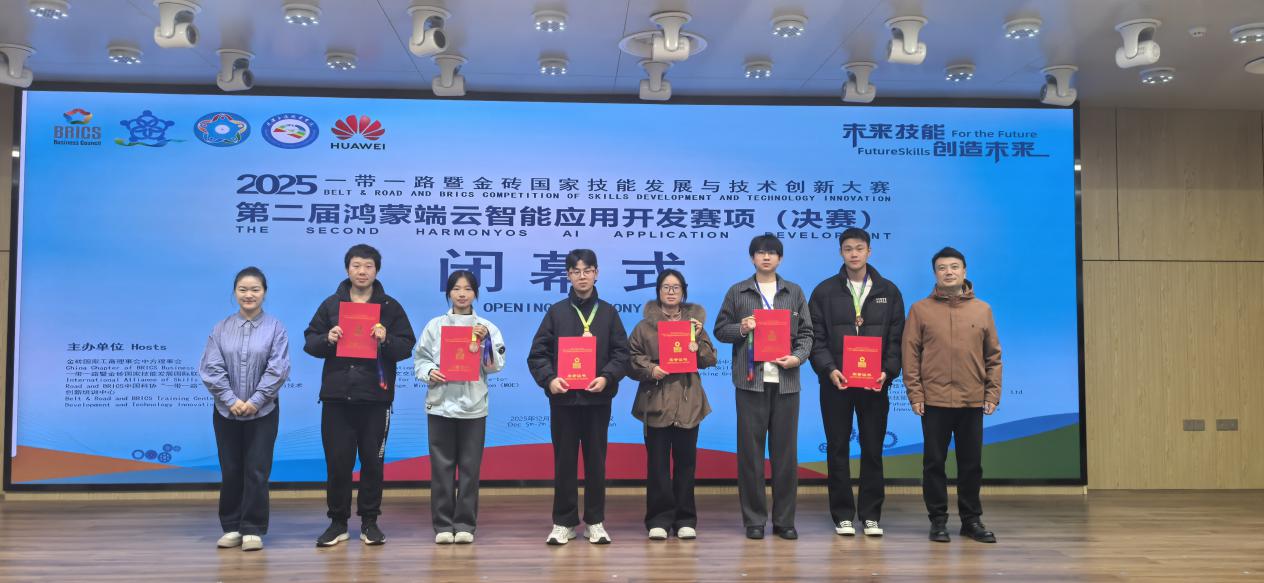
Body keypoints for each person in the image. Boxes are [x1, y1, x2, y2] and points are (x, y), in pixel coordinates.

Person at [303, 244, 416, 547]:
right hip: (337, 399)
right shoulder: (331, 304)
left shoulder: (390, 307)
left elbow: (406, 346)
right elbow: (310, 342)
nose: (362, 271)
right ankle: (338, 523)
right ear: (347, 269)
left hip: (376, 399)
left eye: (368, 266)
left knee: (372, 463)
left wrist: (386, 339)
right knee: (337, 464)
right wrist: (327, 338)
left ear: (376, 270)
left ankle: (370, 522)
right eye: (356, 265)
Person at [713, 234, 813, 541]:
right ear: (752, 258)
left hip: (786, 383)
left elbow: (807, 334)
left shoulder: (794, 292)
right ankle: (754, 520)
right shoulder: (738, 291)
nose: (766, 257)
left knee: (785, 456)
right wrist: (741, 328)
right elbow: (720, 330)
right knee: (750, 455)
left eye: (772, 253)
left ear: (780, 258)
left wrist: (797, 358)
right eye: (760, 252)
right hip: (750, 383)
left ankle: (784, 521)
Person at [527, 249, 630, 545]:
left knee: (596, 462)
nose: (582, 276)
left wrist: (606, 377)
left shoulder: (608, 313)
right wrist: (550, 380)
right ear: (568, 275)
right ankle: (564, 522)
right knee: (565, 463)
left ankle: (595, 522)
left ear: (596, 273)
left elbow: (622, 354)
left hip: (597, 400)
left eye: (587, 271)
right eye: (576, 271)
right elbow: (537, 354)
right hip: (564, 401)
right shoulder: (556, 312)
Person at [808, 228, 905, 537]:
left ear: (869, 251)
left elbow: (897, 339)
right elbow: (815, 338)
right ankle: (843, 515)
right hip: (836, 383)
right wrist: (829, 369)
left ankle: (871, 515)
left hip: (875, 384)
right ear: (841, 252)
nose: (854, 253)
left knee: (873, 449)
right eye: (848, 248)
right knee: (837, 448)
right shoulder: (824, 291)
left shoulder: (889, 290)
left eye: (859, 248)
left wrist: (888, 372)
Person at [903, 247, 1002, 544]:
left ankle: (972, 521)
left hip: (972, 399)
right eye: (942, 268)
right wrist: (915, 393)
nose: (949, 272)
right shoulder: (920, 310)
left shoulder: (982, 310)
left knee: (971, 464)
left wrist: (992, 393)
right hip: (933, 400)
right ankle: (938, 521)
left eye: (954, 267)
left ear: (964, 271)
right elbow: (910, 355)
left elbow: (993, 356)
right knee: (934, 463)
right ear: (935, 274)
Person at [199, 266, 291, 552]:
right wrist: (231, 400)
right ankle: (231, 526)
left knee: (257, 470)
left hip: (263, 411)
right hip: (226, 411)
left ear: (264, 292)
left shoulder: (275, 328)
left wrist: (255, 401)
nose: (249, 294)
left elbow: (278, 368)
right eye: (243, 289)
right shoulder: (221, 328)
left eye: (255, 289)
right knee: (231, 469)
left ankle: (252, 528)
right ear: (235, 292)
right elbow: (211, 368)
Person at [413, 270, 506, 545]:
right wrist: (429, 371)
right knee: (441, 468)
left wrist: (486, 341)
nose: (462, 294)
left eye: (468, 289)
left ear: (476, 293)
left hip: (473, 407)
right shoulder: (434, 326)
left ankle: (465, 524)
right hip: (439, 404)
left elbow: (495, 366)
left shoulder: (486, 327)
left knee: (469, 468)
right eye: (456, 288)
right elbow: (420, 358)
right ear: (448, 293)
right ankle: (443, 524)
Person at [627, 269, 718, 541]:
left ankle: (685, 519)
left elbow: (709, 359)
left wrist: (698, 338)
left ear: (683, 292)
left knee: (686, 464)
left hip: (689, 402)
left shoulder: (695, 325)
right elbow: (630, 359)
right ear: (658, 291)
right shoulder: (644, 327)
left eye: (676, 287)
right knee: (657, 466)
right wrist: (650, 369)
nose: (670, 292)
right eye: (666, 287)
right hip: (656, 401)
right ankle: (658, 519)